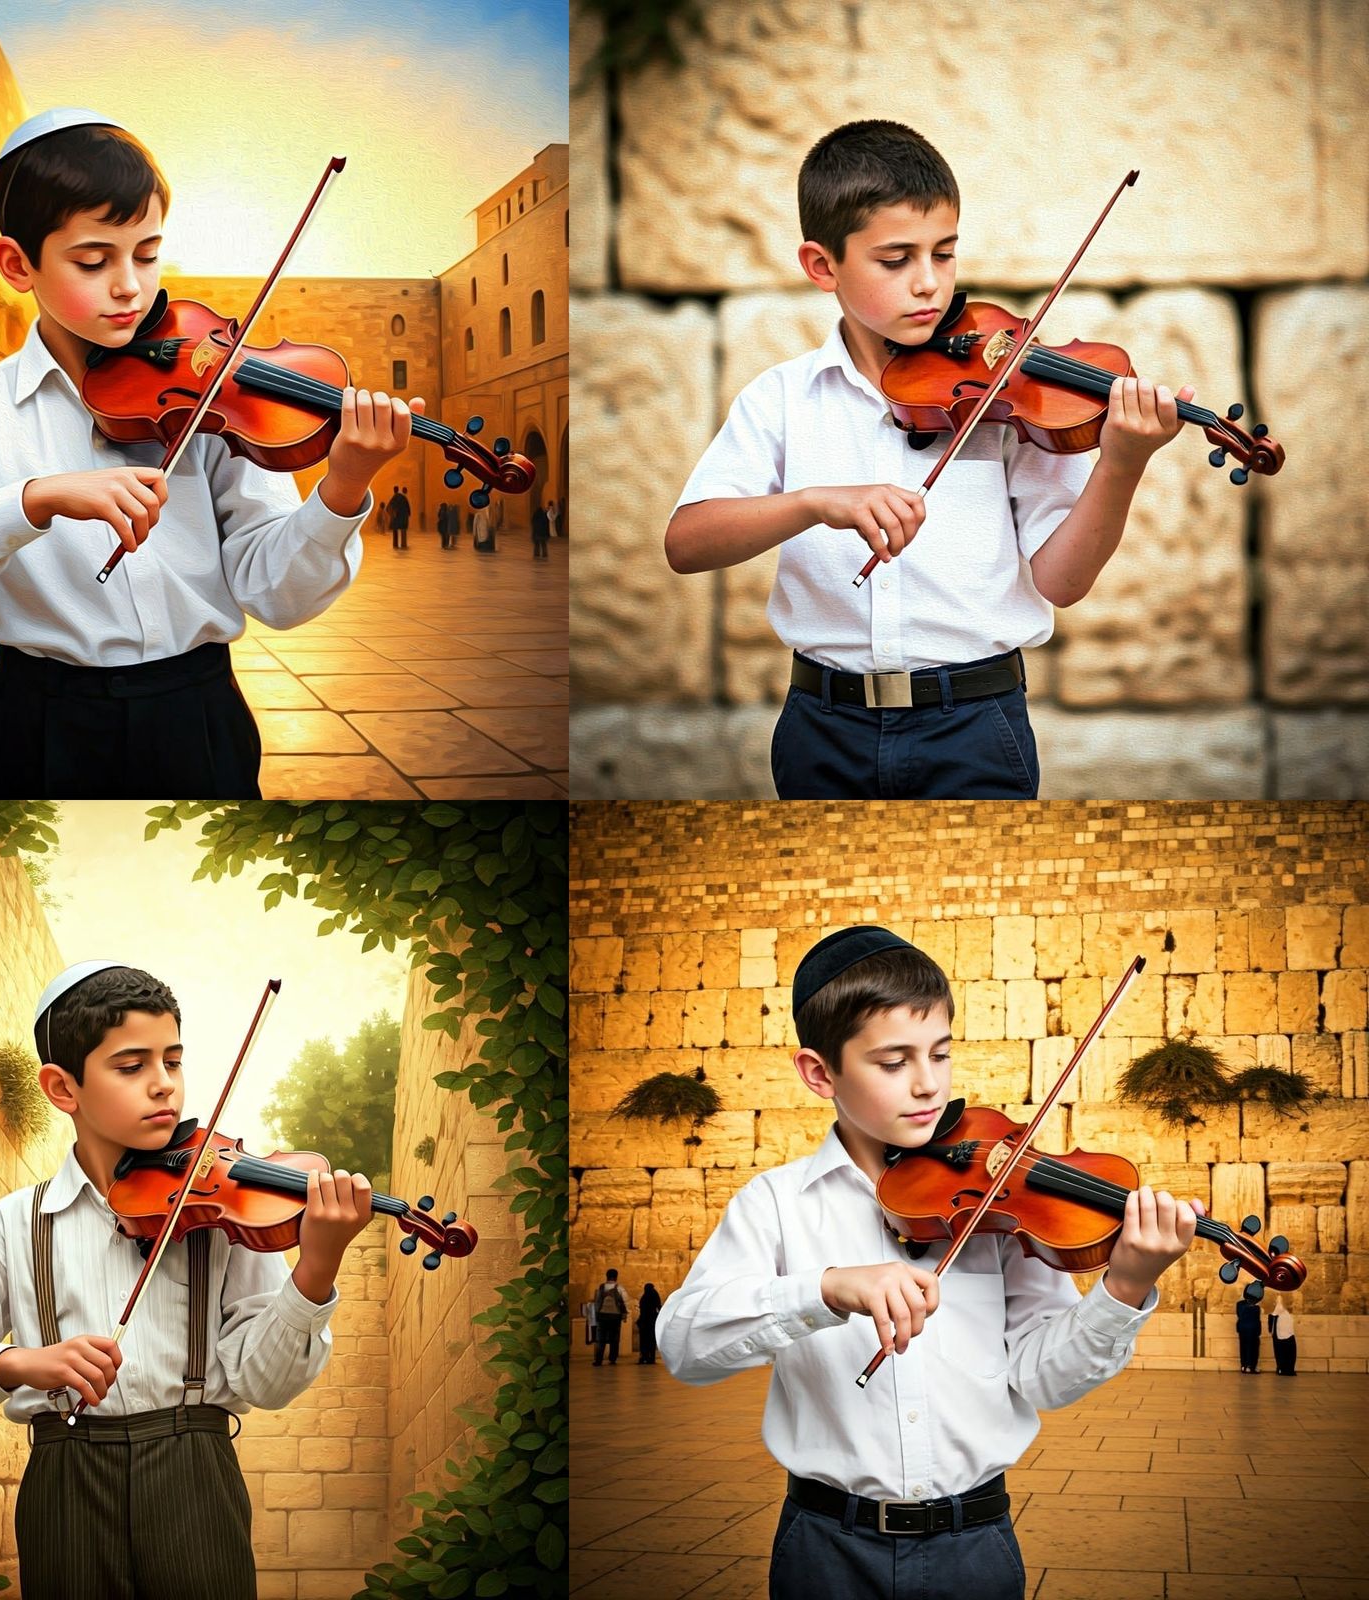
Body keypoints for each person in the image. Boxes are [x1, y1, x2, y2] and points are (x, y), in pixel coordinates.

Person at [0, 109, 421, 799]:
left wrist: (343, 486)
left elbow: (275, 595)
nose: (129, 285)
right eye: (94, 261)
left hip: (198, 712)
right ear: (17, 264)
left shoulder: (213, 391)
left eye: (148, 254)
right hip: (39, 719)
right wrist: (34, 499)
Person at [657, 926, 1205, 1600]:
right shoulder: (775, 1203)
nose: (926, 1085)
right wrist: (827, 1289)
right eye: (892, 1063)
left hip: (973, 1546)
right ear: (819, 1072)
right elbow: (684, 1343)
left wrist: (1124, 1284)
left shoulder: (1000, 1202)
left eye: (940, 1055)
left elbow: (1045, 1380)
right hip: (825, 1548)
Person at [663, 120, 1195, 801]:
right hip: (823, 726)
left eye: (944, 255)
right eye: (896, 260)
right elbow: (686, 543)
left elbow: (1061, 581)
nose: (929, 285)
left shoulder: (1010, 394)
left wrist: (1122, 464)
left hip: (974, 723)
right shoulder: (784, 399)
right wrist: (816, 502)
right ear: (823, 267)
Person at [0, 962, 374, 1599]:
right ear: (63, 1089)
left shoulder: (220, 1203)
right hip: (65, 1473)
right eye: (131, 1066)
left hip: (195, 1470)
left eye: (173, 1062)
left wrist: (317, 1268)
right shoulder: (15, 1223)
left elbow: (268, 1382)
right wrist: (19, 1362)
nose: (163, 1088)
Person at [592, 1269, 629, 1365]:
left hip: (602, 1315)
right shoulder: (620, 1288)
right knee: (614, 1338)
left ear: (606, 1276)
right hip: (615, 1316)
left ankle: (598, 1360)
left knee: (600, 1339)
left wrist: (596, 1315)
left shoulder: (601, 1287)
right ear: (616, 1277)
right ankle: (612, 1359)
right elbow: (625, 1301)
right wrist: (625, 1314)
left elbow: (597, 1302)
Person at [1268, 1297, 1297, 1375]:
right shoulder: (1285, 1314)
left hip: (1279, 1337)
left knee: (1281, 1354)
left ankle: (1281, 1369)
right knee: (1289, 1354)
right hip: (1288, 1337)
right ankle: (1287, 1369)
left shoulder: (1274, 1314)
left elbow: (1270, 1329)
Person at [1236, 1288, 1262, 1373]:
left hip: (1243, 1329)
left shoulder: (1240, 1304)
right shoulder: (1255, 1307)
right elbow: (1257, 1320)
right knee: (1252, 1348)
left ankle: (1245, 1365)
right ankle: (1250, 1366)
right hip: (1251, 1330)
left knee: (1244, 1347)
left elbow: (1240, 1315)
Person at [636, 1283, 662, 1364]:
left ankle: (644, 1356)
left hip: (644, 1321)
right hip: (652, 1320)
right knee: (651, 1340)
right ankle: (651, 1357)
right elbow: (659, 1306)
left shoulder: (644, 1297)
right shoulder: (655, 1295)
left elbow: (642, 1309)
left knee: (643, 1340)